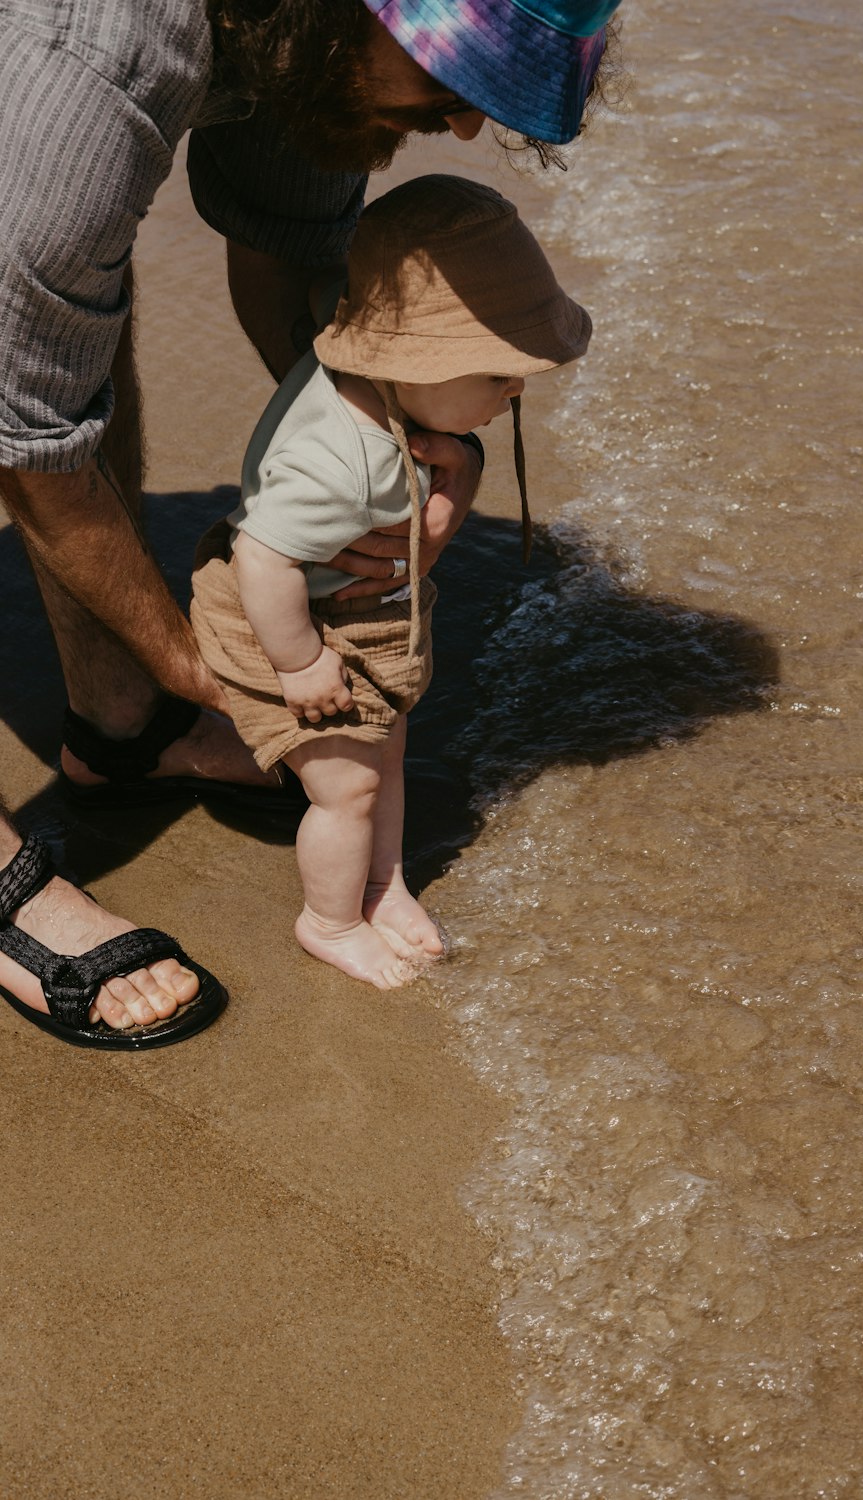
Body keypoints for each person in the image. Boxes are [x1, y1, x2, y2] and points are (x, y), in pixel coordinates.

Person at [0, 0, 619, 1046]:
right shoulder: (78, 78)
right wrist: (213, 671)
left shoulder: (310, 46)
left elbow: (302, 281)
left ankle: (124, 735)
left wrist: (432, 445)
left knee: (72, 337)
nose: (466, 125)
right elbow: (32, 445)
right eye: (445, 68)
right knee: (36, 370)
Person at [189, 175, 591, 989]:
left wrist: (461, 467)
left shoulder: (370, 348)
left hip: (347, 597)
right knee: (347, 788)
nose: (513, 390)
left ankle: (382, 886)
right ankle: (329, 921)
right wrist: (301, 665)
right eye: (494, 374)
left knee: (387, 752)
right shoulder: (335, 462)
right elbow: (262, 557)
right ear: (408, 361)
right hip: (285, 617)